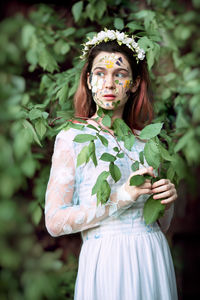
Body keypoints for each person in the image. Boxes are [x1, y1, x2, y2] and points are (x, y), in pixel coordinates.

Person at [45, 29, 178, 300]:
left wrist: (167, 202)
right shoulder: (72, 138)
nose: (109, 84)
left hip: (152, 255)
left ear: (134, 83)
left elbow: (159, 225)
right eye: (100, 73)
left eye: (119, 74)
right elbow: (55, 222)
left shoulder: (147, 141)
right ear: (89, 80)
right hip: (107, 259)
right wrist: (120, 197)